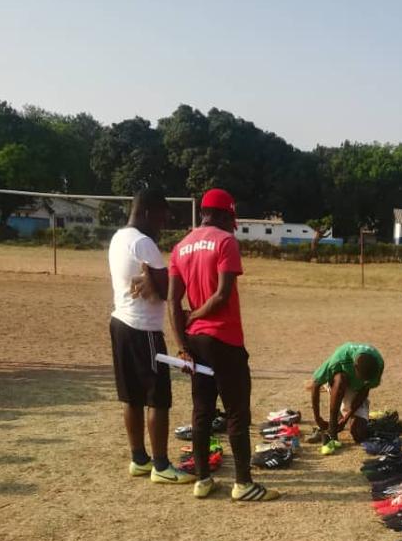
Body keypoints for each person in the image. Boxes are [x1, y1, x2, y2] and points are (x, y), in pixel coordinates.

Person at [168, 188, 278, 502]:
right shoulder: (225, 242)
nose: (234, 224)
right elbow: (221, 295)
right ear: (224, 214)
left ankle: (203, 479)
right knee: (236, 413)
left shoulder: (181, 246)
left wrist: (182, 343)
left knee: (202, 410)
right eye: (232, 217)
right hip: (224, 339)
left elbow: (173, 301)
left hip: (196, 342)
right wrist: (197, 316)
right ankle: (243, 484)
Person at [108, 189, 193, 485]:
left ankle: (139, 460)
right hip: (143, 329)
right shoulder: (144, 243)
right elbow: (168, 292)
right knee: (158, 398)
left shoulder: (119, 237)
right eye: (161, 215)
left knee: (130, 396)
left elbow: (156, 284)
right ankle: (161, 465)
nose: (164, 221)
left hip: (119, 322)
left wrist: (155, 282)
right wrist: (160, 282)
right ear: (146, 213)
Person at [310, 342, 385, 454]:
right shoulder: (340, 358)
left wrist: (346, 419)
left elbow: (364, 391)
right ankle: (332, 428)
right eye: (362, 378)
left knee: (359, 434)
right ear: (354, 367)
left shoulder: (377, 365)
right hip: (338, 385)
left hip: (357, 391)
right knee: (340, 379)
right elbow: (315, 385)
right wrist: (318, 418)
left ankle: (344, 416)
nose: (365, 381)